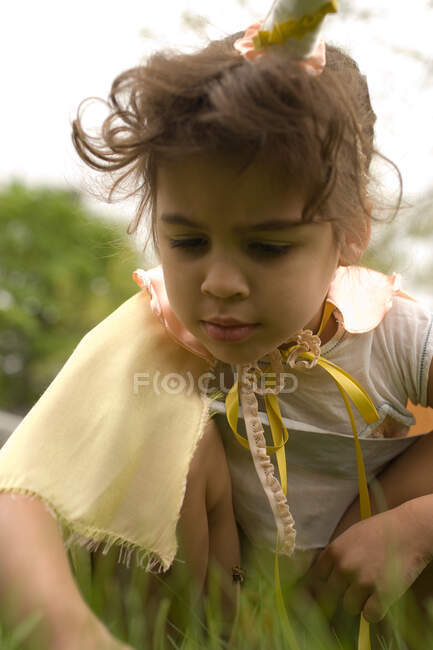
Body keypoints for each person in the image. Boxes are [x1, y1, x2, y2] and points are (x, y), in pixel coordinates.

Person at [0, 0, 433, 648]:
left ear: (350, 233)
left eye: (266, 247)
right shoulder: (159, 335)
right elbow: (19, 496)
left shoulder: (394, 334)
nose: (219, 283)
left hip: (363, 609)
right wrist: (71, 636)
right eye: (188, 241)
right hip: (218, 612)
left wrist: (417, 526)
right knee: (162, 421)